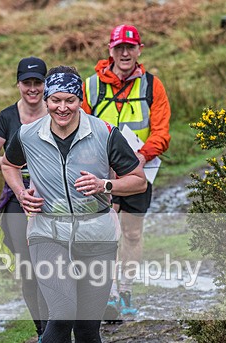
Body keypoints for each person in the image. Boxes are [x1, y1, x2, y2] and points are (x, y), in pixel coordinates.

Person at [1, 66, 147, 343]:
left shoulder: (104, 133)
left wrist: (105, 183)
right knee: (62, 311)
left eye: (69, 100)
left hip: (96, 235)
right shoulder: (27, 134)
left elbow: (138, 180)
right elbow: (8, 164)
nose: (62, 108)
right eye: (55, 100)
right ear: (45, 100)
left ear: (79, 100)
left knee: (87, 325)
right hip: (47, 233)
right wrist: (22, 194)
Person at [81, 24, 171, 319]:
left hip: (139, 170)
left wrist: (141, 159)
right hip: (101, 171)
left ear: (138, 51)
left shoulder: (152, 85)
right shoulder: (91, 85)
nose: (124, 53)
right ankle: (107, 295)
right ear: (110, 50)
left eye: (130, 48)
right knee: (106, 232)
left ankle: (126, 289)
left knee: (131, 233)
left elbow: (161, 133)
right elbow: (80, 126)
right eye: (119, 47)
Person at [0, 56, 49, 343]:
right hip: (18, 201)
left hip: (56, 201)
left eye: (38, 82)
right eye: (27, 83)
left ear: (45, 84)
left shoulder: (60, 110)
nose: (32, 89)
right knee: (29, 271)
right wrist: (16, 160)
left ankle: (61, 330)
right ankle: (43, 336)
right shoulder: (8, 117)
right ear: (18, 84)